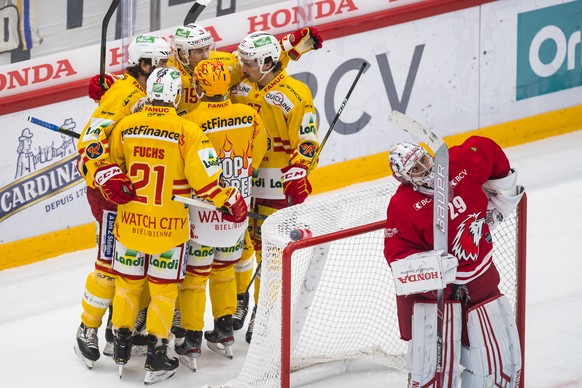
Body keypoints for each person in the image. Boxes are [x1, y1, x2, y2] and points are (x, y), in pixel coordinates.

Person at [107, 66, 248, 384]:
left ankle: (121, 347)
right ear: (173, 95)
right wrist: (231, 201)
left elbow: (112, 168)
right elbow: (208, 182)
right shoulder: (187, 131)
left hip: (129, 225)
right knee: (163, 293)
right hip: (168, 231)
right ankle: (157, 356)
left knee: (127, 287)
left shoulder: (127, 126)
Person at [383, 136, 524, 387]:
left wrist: (502, 197)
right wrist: (431, 267)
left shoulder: (458, 164)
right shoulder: (402, 205)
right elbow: (397, 254)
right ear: (404, 177)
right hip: (440, 291)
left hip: (482, 276)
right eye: (414, 168)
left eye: (424, 159)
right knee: (432, 368)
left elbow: (486, 148)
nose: (424, 168)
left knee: (494, 357)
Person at [73, 34, 172, 369]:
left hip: (137, 194)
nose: (165, 69)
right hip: (110, 193)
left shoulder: (144, 89)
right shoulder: (125, 93)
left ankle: (125, 322)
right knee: (109, 265)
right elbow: (89, 140)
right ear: (143, 64)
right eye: (159, 63)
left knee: (137, 264)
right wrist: (107, 175)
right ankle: (87, 328)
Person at [171, 59, 267, 370]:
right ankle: (225, 332)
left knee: (195, 279)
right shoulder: (248, 114)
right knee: (225, 271)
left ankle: (192, 339)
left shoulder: (191, 120)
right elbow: (258, 152)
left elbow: (187, 166)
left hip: (205, 210)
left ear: (197, 88)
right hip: (238, 210)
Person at [231, 31, 320, 343]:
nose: (242, 66)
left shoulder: (295, 94)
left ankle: (263, 310)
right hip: (240, 182)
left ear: (267, 64)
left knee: (268, 255)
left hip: (274, 186)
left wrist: (298, 174)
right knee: (236, 246)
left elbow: (307, 140)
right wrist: (291, 45)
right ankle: (238, 299)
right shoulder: (242, 85)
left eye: (249, 62)